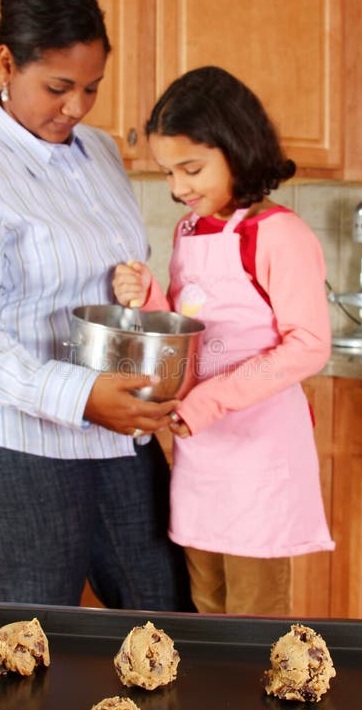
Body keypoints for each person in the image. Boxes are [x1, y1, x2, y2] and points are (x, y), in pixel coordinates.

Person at [0, 0, 192, 611]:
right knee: (38, 629)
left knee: (164, 611)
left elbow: (111, 276)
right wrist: (83, 395)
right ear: (7, 64)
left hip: (109, 428)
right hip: (3, 436)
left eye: (91, 88)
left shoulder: (100, 153)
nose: (76, 107)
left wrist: (135, 291)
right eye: (58, 87)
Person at [113, 66, 335, 616]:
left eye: (191, 168)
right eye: (169, 173)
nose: (178, 188)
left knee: (254, 619)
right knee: (207, 604)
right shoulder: (189, 231)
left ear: (237, 147)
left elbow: (309, 343)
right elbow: (190, 329)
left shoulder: (280, 233)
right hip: (201, 452)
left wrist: (211, 400)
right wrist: (149, 297)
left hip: (258, 453)